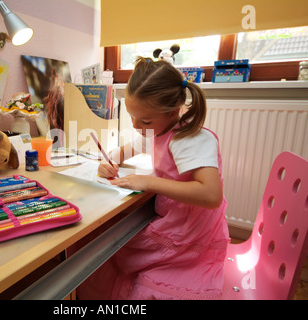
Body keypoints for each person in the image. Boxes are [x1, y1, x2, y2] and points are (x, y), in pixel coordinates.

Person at [77, 57, 230, 300]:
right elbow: (126, 149)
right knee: (106, 250)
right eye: (131, 116)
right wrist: (110, 161)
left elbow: (211, 195)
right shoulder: (157, 128)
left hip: (190, 231)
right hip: (171, 218)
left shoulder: (191, 139)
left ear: (172, 112)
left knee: (115, 255)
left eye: (145, 120)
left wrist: (149, 182)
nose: (137, 125)